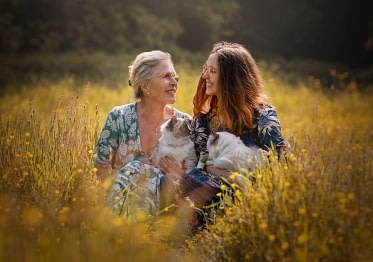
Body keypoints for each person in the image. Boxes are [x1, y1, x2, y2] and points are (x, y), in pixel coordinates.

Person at [160, 41, 286, 228]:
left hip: (251, 190)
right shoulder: (203, 121)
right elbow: (203, 167)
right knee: (170, 182)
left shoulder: (263, 115)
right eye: (205, 69)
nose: (204, 76)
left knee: (227, 193)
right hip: (214, 187)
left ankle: (197, 221)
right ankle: (190, 222)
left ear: (230, 78)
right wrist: (233, 176)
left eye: (212, 71)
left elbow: (278, 163)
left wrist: (240, 181)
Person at [93, 50, 192, 216]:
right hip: (122, 210)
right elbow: (99, 171)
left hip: (167, 216)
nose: (174, 82)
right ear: (145, 86)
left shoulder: (185, 124)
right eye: (166, 77)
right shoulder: (119, 117)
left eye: (175, 77)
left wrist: (180, 174)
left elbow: (195, 177)